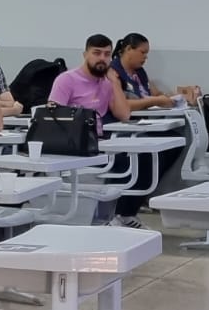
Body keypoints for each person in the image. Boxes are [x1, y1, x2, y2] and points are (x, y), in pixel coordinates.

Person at [48, 35, 137, 226]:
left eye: (107, 54)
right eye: (96, 53)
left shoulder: (106, 83)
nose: (102, 58)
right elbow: (52, 116)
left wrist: (114, 83)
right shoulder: (66, 80)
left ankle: (113, 216)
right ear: (85, 54)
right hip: (71, 145)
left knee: (133, 160)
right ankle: (101, 218)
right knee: (120, 161)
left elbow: (124, 115)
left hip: (97, 142)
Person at [110, 32, 192, 200]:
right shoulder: (113, 73)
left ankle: (146, 192)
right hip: (124, 126)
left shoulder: (139, 73)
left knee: (175, 142)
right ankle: (128, 202)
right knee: (150, 155)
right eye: (142, 52)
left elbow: (156, 94)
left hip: (145, 124)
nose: (145, 57)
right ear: (128, 49)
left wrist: (177, 98)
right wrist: (154, 100)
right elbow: (123, 104)